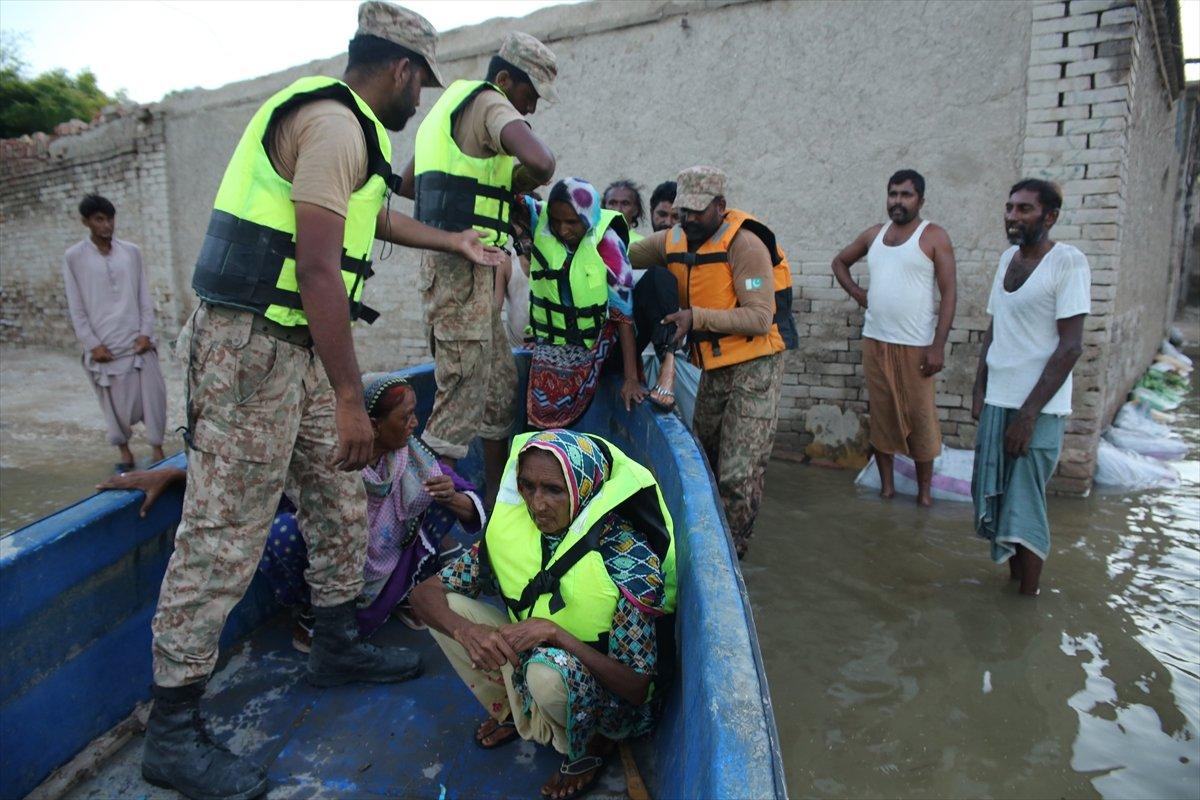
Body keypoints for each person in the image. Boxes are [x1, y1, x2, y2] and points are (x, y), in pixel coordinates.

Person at [144, 5, 504, 798]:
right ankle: (172, 730)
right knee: (222, 536)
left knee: (340, 496)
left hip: (296, 351)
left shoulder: (356, 143)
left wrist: (453, 242)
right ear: (404, 72)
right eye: (422, 86)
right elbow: (314, 269)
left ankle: (336, 643)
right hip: (250, 348)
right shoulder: (335, 127)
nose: (419, 104)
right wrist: (351, 397)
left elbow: (370, 221)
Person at [410, 429, 677, 800]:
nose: (537, 504)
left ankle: (592, 746)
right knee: (451, 612)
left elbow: (636, 687)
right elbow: (424, 595)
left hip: (607, 701)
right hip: (536, 654)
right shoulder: (515, 530)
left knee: (547, 671)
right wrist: (466, 632)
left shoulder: (627, 554)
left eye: (553, 489)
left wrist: (554, 633)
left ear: (584, 486)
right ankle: (515, 713)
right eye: (527, 486)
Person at [403, 31, 558, 511]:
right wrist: (517, 182)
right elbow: (542, 162)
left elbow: (410, 184)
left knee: (496, 394)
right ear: (506, 79)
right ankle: (406, 524)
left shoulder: (449, 111)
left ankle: (493, 506)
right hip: (460, 270)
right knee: (458, 403)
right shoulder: (490, 103)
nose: (529, 111)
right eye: (529, 97)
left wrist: (486, 194)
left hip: (470, 269)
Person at [628, 166, 798, 559]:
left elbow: (759, 318)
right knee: (704, 460)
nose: (688, 219)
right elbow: (625, 251)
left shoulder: (746, 245)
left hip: (756, 368)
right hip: (714, 369)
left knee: (738, 475)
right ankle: (702, 548)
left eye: (697, 212)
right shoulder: (675, 238)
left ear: (720, 206)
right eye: (682, 210)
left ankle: (732, 556)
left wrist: (695, 317)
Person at [258, 374, 484, 647]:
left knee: (442, 497)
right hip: (337, 567)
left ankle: (401, 591)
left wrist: (451, 497)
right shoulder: (328, 461)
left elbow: (471, 501)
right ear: (374, 427)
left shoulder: (412, 456)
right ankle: (316, 609)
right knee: (283, 534)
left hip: (394, 559)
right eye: (406, 417)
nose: (414, 423)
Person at [971, 179, 1089, 597]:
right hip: (1000, 400)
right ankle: (1013, 588)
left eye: (1024, 210)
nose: (1013, 217)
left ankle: (1027, 601)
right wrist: (979, 387)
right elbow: (994, 327)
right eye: (1009, 208)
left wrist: (1028, 414)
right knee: (1003, 507)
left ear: (1050, 216)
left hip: (1037, 410)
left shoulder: (1067, 263)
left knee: (1026, 508)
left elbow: (1071, 346)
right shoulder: (1007, 259)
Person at [831, 169, 957, 506]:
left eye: (905, 195)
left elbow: (949, 293)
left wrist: (938, 346)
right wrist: (860, 295)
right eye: (893, 194)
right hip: (875, 340)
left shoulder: (933, 237)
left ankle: (925, 495)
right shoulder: (874, 235)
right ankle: (887, 488)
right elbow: (840, 262)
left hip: (917, 346)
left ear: (920, 200)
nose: (897, 201)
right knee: (883, 415)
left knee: (920, 418)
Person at [524, 178, 645, 428]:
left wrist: (631, 377)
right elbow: (511, 200)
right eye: (556, 221)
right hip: (551, 343)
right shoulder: (540, 222)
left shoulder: (608, 241)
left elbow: (623, 313)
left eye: (572, 222)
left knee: (570, 424)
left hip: (593, 341)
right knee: (537, 423)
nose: (563, 229)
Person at [63, 194, 168, 471]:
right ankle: (125, 454)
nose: (107, 225)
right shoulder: (74, 258)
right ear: (86, 222)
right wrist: (91, 344)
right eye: (99, 219)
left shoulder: (131, 252)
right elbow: (76, 306)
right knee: (113, 407)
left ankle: (158, 453)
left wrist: (146, 331)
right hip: (105, 347)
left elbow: (143, 294)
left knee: (154, 399)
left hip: (136, 342)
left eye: (110, 218)